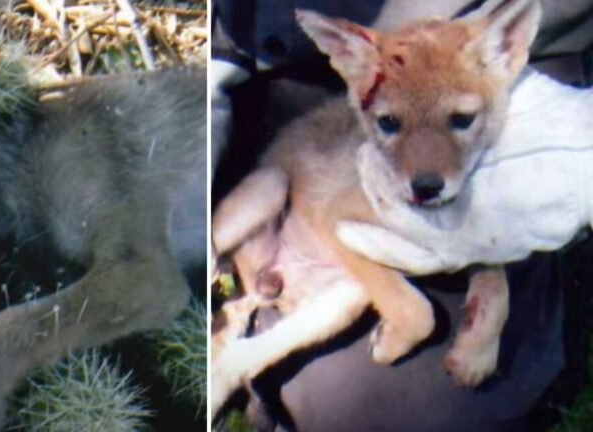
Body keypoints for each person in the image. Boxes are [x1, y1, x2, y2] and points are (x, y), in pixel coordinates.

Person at [211, 1, 593, 431]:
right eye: (391, 125)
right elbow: (338, 216)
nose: (425, 172)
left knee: (418, 412)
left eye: (461, 118)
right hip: (299, 151)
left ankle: (238, 360)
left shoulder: (493, 69)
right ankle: (235, 331)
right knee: (342, 407)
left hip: (481, 46)